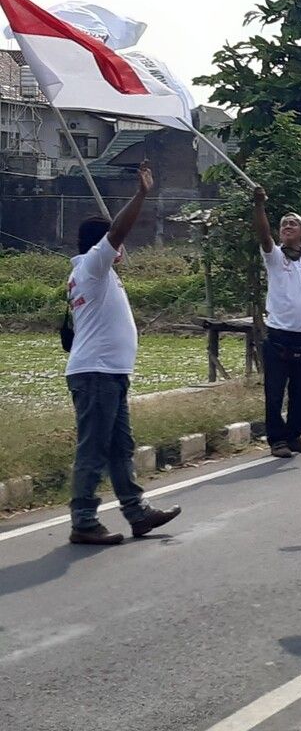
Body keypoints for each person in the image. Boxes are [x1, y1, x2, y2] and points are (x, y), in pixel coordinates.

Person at [65, 161, 180, 545]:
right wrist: (142, 195)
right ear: (103, 246)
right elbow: (117, 231)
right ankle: (83, 519)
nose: (123, 248)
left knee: (119, 447)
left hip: (109, 373)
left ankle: (135, 511)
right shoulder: (94, 268)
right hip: (96, 374)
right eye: (117, 244)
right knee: (94, 449)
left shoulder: (94, 273)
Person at [253, 186, 301, 458]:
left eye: (293, 223)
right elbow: (263, 235)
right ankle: (277, 440)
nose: (288, 226)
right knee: (275, 391)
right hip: (277, 335)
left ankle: (295, 435)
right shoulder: (274, 256)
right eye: (284, 223)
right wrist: (259, 206)